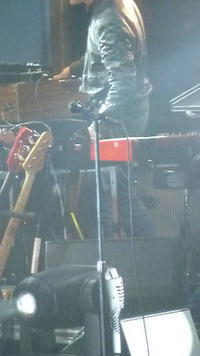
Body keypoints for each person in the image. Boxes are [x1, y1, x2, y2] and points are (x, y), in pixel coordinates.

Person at [56, 0, 154, 238]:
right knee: (114, 195)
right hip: (127, 113)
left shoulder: (109, 17)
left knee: (119, 197)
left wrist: (99, 121)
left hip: (119, 118)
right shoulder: (112, 8)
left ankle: (154, 254)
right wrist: (72, 69)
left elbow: (122, 83)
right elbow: (101, 53)